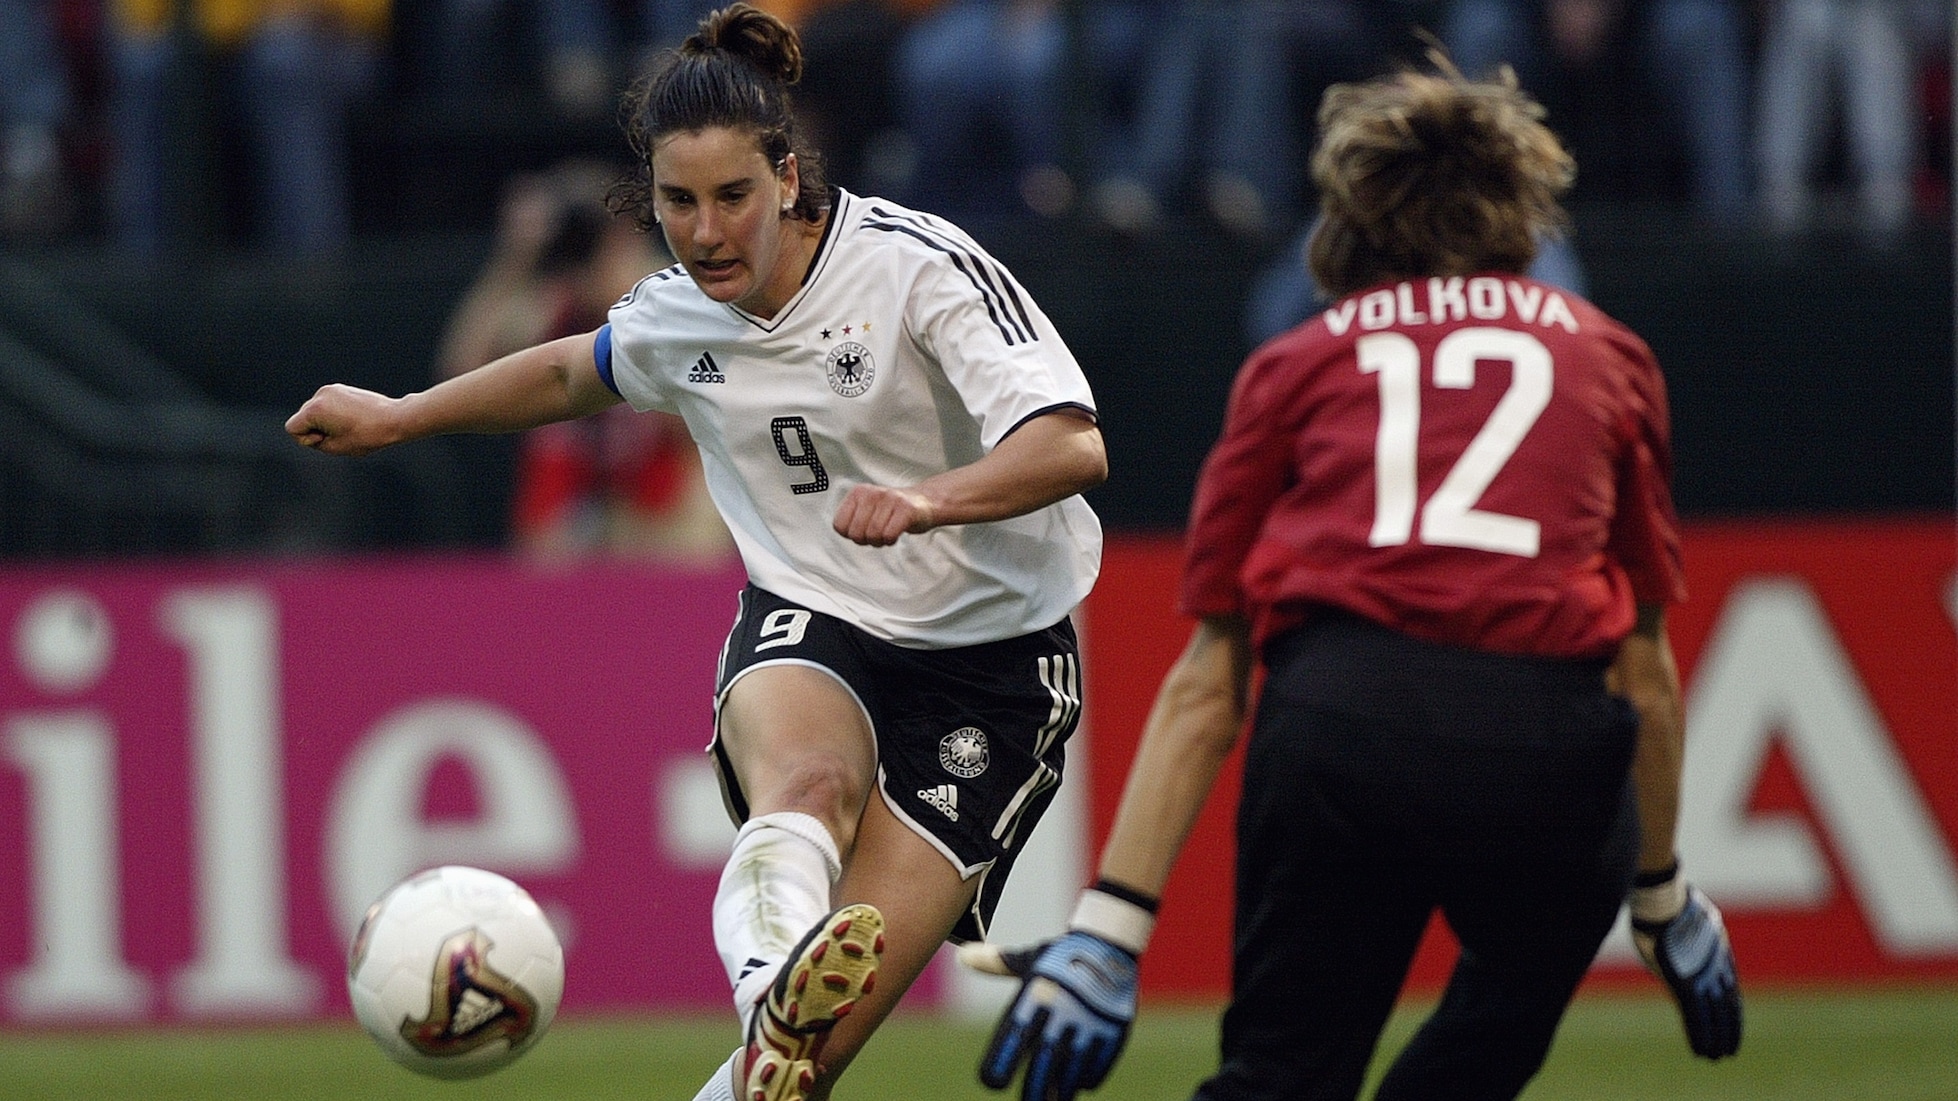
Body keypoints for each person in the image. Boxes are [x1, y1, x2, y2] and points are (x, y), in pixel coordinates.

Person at [284, 7, 1107, 1101]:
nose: (706, 231)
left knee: (797, 1078)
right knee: (805, 782)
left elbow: (1071, 444)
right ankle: (773, 977)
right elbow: (569, 373)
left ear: (785, 175)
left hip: (994, 665)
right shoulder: (679, 315)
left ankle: (778, 1032)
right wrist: (401, 415)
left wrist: (926, 499)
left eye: (732, 198)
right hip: (819, 616)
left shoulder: (918, 271)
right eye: (678, 203)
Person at [967, 56, 1741, 1101]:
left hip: (1342, 729)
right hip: (1544, 747)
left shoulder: (1293, 362)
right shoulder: (1609, 356)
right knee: (1508, 1002)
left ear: (1352, 219)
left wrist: (1112, 922)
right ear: (1522, 211)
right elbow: (1641, 669)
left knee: (1282, 1075)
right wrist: (1657, 894)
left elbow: (1209, 681)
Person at [435, 159, 733, 563]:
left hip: (657, 498)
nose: (587, 255)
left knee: (696, 515)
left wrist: (627, 301)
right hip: (570, 500)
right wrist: (516, 259)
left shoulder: (663, 292)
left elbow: (705, 417)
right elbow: (460, 369)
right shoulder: (546, 305)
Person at [105, 0, 387, 256]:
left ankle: (313, 272)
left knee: (283, 60)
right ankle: (146, 270)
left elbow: (364, 13)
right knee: (141, 65)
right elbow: (140, 17)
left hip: (325, 44)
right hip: (209, 45)